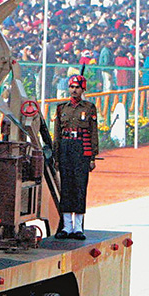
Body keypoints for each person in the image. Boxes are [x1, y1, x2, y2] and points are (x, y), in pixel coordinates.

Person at [53, 73, 98, 240]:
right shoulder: (61, 108)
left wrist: (92, 156)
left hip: (81, 149)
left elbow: (93, 132)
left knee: (79, 186)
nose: (74, 90)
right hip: (65, 148)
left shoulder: (88, 108)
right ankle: (67, 227)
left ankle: (78, 227)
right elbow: (57, 133)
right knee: (66, 187)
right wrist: (56, 156)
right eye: (71, 87)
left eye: (77, 87)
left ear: (83, 89)